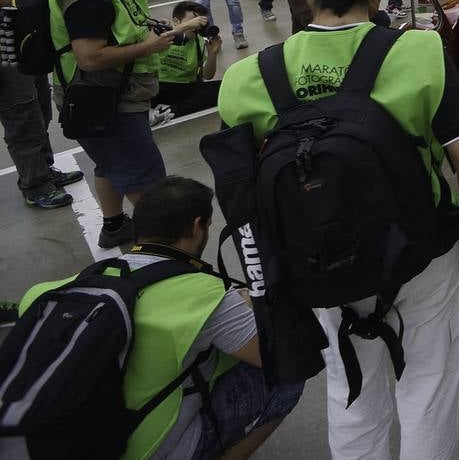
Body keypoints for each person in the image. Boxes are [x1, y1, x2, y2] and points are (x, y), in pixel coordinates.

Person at [218, 0, 459, 460]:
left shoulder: (246, 79)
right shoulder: (418, 52)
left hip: (317, 264)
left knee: (350, 385)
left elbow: (245, 193)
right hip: (418, 252)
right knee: (428, 381)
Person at [18, 176, 305, 458]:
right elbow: (281, 357)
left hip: (53, 443)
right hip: (145, 448)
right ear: (197, 227)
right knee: (289, 377)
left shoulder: (48, 294)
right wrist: (249, 304)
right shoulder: (204, 295)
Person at [50, 0, 205, 247]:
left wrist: (171, 31)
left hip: (117, 96)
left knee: (109, 165)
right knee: (146, 180)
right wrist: (149, 47)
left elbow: (132, 28)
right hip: (106, 100)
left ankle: (113, 226)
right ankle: (167, 245)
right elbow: (90, 58)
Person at [0, 0, 82, 209]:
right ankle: (35, 185)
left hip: (24, 50)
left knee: (39, 111)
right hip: (4, 61)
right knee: (22, 119)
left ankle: (45, 170)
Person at [152, 0, 223, 120]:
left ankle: (170, 110)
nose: (197, 26)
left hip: (185, 88)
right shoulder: (164, 34)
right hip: (160, 87)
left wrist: (212, 53)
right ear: (176, 21)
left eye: (200, 22)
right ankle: (171, 109)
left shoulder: (199, 41)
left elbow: (206, 75)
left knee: (223, 88)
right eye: (194, 20)